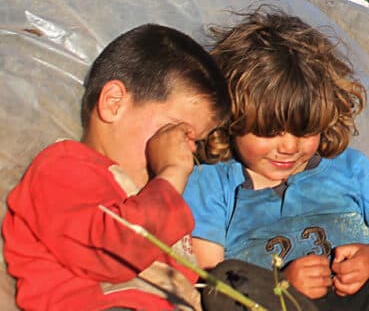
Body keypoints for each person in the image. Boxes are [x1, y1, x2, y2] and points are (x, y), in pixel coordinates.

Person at [185, 9, 369, 311]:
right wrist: (281, 286)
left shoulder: (350, 168)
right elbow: (208, 274)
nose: (288, 147)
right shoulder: (214, 183)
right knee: (226, 283)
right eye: (270, 132)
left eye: (304, 131)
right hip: (287, 305)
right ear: (231, 117)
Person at [2, 24, 229, 311]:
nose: (185, 151)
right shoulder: (63, 167)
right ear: (113, 103)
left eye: (194, 142)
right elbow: (111, 252)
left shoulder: (152, 194)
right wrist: (171, 172)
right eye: (174, 131)